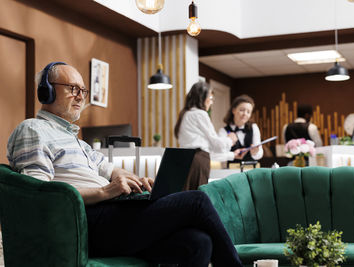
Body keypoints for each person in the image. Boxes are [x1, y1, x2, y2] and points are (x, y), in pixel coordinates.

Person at [7, 62, 243, 267]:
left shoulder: (76, 141)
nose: (80, 96)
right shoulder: (33, 130)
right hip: (86, 223)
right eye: (72, 89)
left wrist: (132, 180)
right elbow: (40, 196)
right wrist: (105, 191)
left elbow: (109, 169)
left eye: (83, 90)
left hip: (113, 216)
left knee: (198, 243)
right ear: (45, 91)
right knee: (197, 201)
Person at [174, 81, 245, 190]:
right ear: (202, 98)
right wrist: (230, 140)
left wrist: (232, 155)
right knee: (197, 198)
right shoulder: (200, 114)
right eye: (210, 98)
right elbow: (216, 144)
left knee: (187, 198)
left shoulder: (185, 114)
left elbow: (209, 152)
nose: (211, 102)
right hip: (198, 163)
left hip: (185, 161)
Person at [216, 94, 263, 165]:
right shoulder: (223, 131)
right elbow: (219, 154)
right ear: (234, 110)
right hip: (231, 171)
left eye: (248, 112)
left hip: (251, 169)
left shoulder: (254, 127)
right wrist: (228, 142)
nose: (245, 114)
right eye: (242, 110)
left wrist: (255, 152)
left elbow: (260, 154)